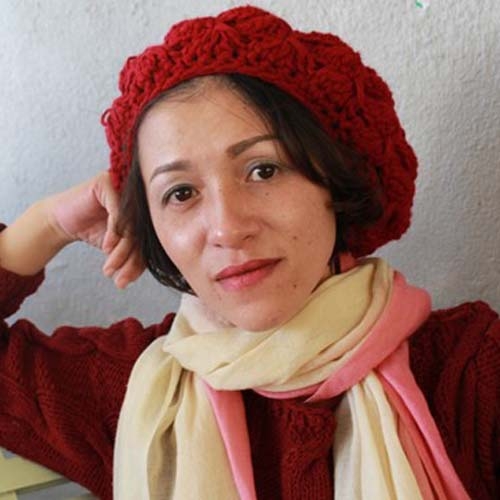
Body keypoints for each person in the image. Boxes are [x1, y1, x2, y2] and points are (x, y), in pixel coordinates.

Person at [0, 5, 498, 500]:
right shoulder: (131, 390)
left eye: (264, 170)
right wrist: (47, 223)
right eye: (180, 193)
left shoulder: (468, 372)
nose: (227, 229)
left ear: (334, 177)